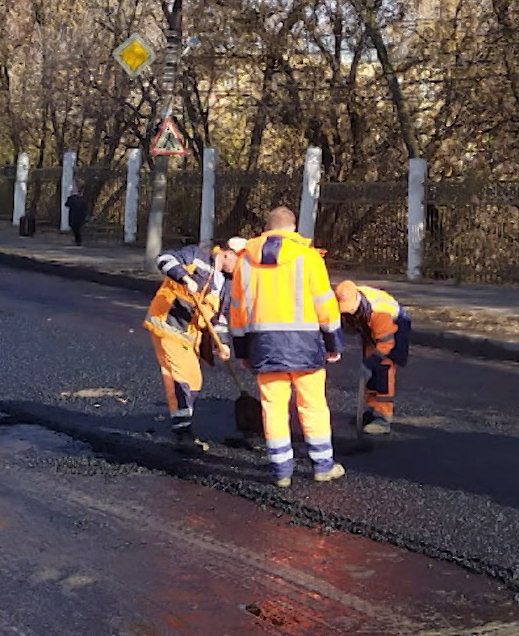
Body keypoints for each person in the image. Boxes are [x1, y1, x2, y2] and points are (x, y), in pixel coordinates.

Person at [229, 208, 345, 488]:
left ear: (265, 229)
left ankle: (281, 471)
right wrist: (333, 343)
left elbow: (237, 311)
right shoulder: (308, 258)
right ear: (293, 229)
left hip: (264, 345)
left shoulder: (245, 261)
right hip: (305, 345)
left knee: (273, 408)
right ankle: (322, 466)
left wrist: (242, 351)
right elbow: (325, 305)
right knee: (313, 406)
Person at [147, 235, 246, 452]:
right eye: (241, 262)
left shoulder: (227, 285)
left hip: (190, 336)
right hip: (167, 326)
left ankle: (182, 427)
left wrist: (223, 344)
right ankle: (182, 434)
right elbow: (164, 259)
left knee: (193, 380)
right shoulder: (196, 256)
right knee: (182, 379)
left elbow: (219, 319)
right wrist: (183, 277)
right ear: (229, 253)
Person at [333, 280, 410, 436]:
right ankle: (371, 409)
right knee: (368, 366)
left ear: (358, 301)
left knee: (383, 368)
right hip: (371, 327)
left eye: (350, 310)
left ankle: (383, 417)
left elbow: (386, 345)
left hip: (394, 325)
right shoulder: (345, 301)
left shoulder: (379, 311)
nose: (348, 313)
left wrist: (372, 362)